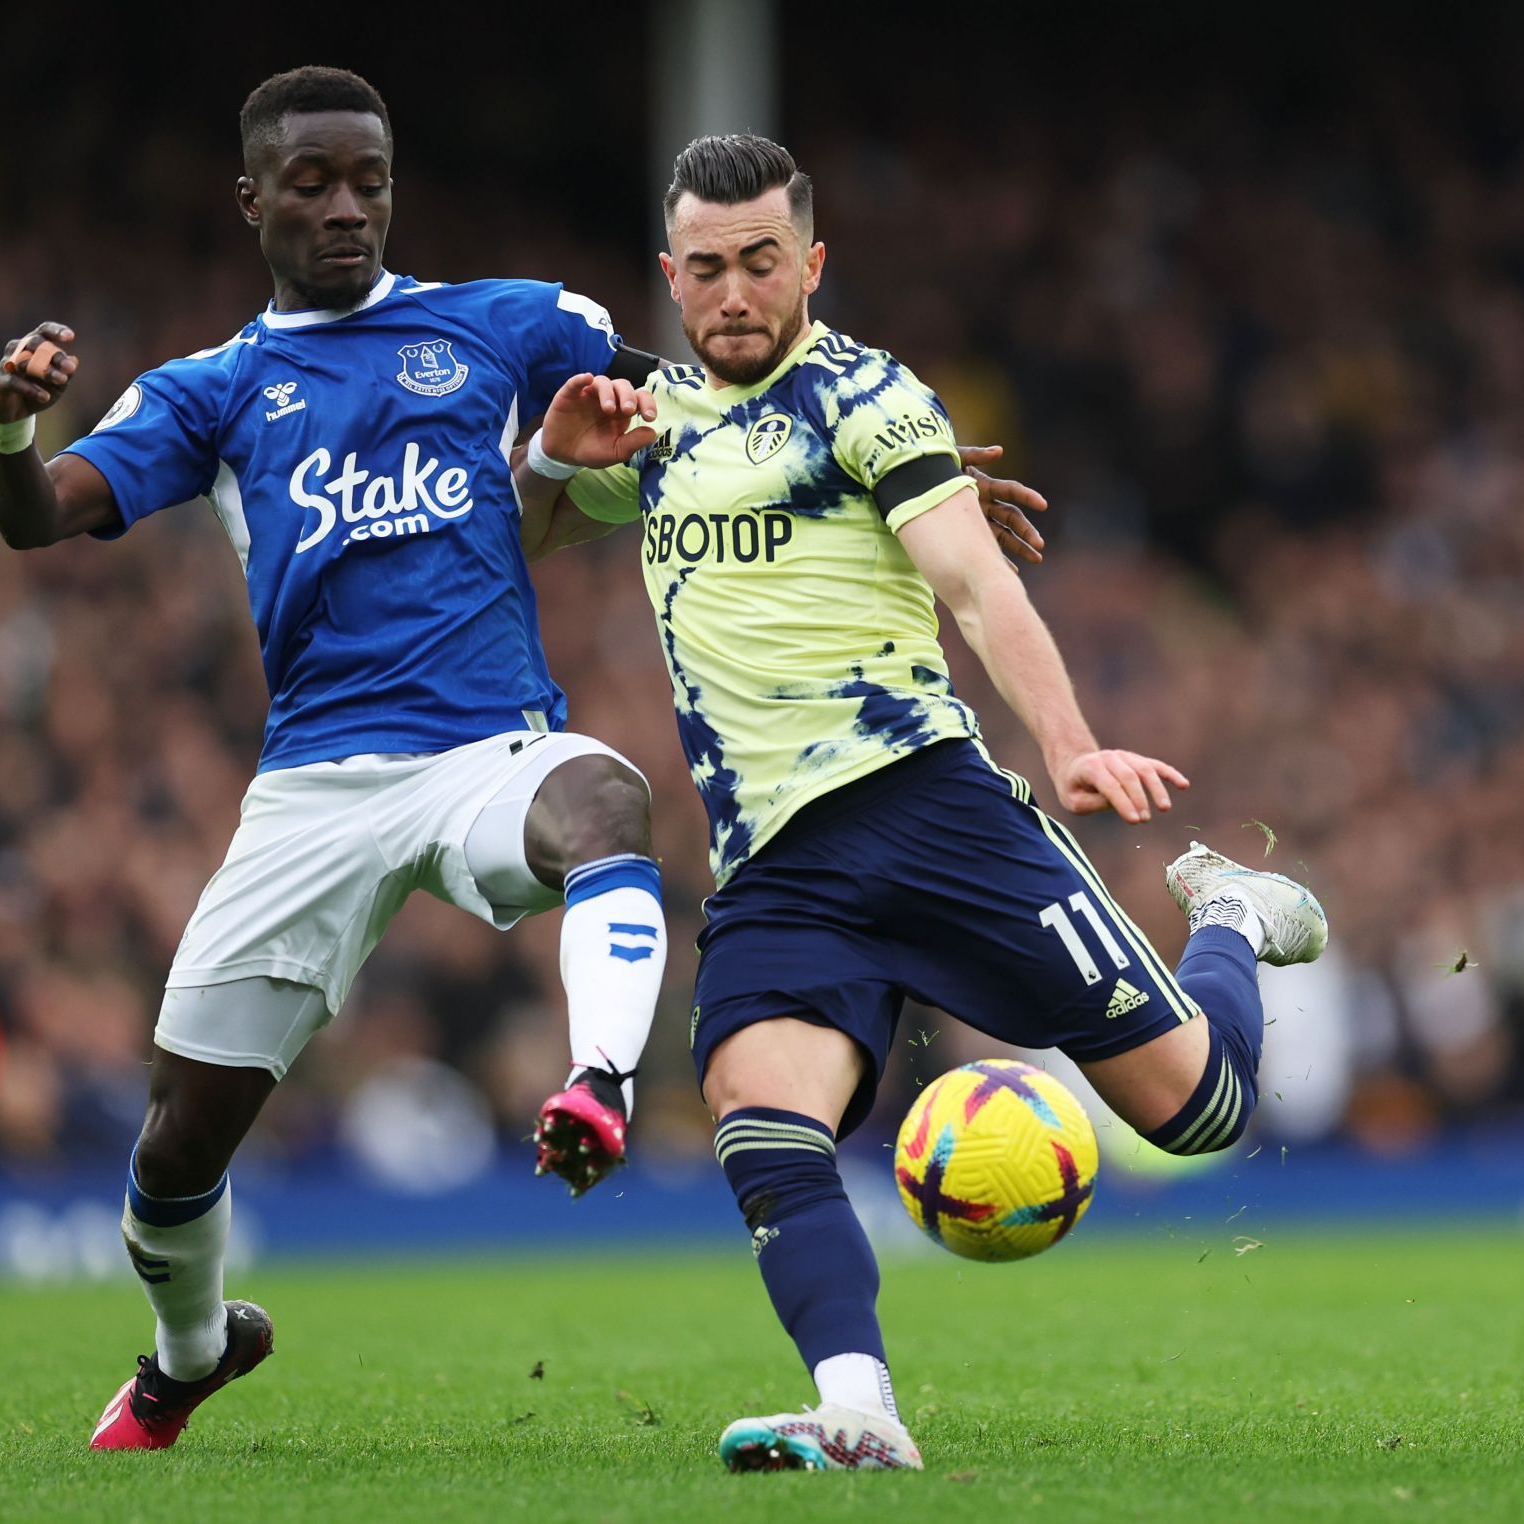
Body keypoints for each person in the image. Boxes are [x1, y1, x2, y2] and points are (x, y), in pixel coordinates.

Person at [513, 134, 1329, 1473]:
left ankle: (1231, 914)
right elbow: (521, 535)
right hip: (775, 863)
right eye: (706, 269)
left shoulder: (867, 397)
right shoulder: (645, 423)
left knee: (1205, 1116)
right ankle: (858, 1405)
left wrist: (1067, 746)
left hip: (934, 814)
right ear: (670, 276)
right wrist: (552, 462)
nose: (733, 294)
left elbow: (977, 585)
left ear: (812, 264)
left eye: (761, 264)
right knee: (756, 1116)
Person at [0, 64, 679, 1452]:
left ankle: (599, 1081)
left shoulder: (506, 324)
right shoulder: (213, 390)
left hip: (487, 747)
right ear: (252, 199)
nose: (347, 207)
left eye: (369, 180)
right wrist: (9, 426)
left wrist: (885, 457)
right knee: (178, 1147)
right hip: (313, 786)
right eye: (312, 183)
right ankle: (193, 1352)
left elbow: (710, 401)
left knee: (607, 798)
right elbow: (36, 516)